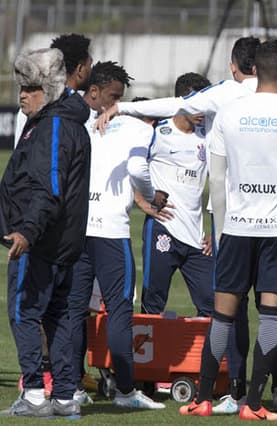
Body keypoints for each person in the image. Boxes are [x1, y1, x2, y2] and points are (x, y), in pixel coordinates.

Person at [179, 39, 277, 421]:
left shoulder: (229, 114)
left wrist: (222, 235)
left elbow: (219, 179)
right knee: (271, 315)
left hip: (237, 229)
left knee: (223, 316)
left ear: (254, 69)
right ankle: (255, 404)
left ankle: (203, 398)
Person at [66, 61, 167, 410]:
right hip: (110, 232)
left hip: (78, 230)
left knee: (74, 310)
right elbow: (139, 168)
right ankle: (125, 391)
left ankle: (70, 388)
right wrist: (151, 195)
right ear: (95, 92)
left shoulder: (78, 123)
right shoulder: (135, 128)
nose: (115, 104)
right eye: (112, 96)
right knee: (120, 311)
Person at [0, 48, 91, 418]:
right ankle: (66, 396)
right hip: (64, 241)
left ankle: (35, 392)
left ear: (49, 88)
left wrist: (26, 230)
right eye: (21, 86)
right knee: (61, 317)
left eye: (31, 86)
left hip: (42, 242)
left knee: (24, 312)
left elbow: (48, 187)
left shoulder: (52, 125)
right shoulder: (62, 121)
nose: (22, 94)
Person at [140, 72, 215, 318]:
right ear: (181, 101)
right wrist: (142, 201)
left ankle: (205, 358)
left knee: (213, 306)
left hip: (196, 237)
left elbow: (222, 181)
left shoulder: (209, 136)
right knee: (153, 306)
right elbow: (128, 168)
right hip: (163, 229)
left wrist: (216, 229)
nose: (203, 109)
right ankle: (148, 357)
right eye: (197, 102)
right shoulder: (157, 133)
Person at [14, 33, 92, 147]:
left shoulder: (33, 104)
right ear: (80, 69)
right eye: (90, 65)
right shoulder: (74, 109)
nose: (91, 71)